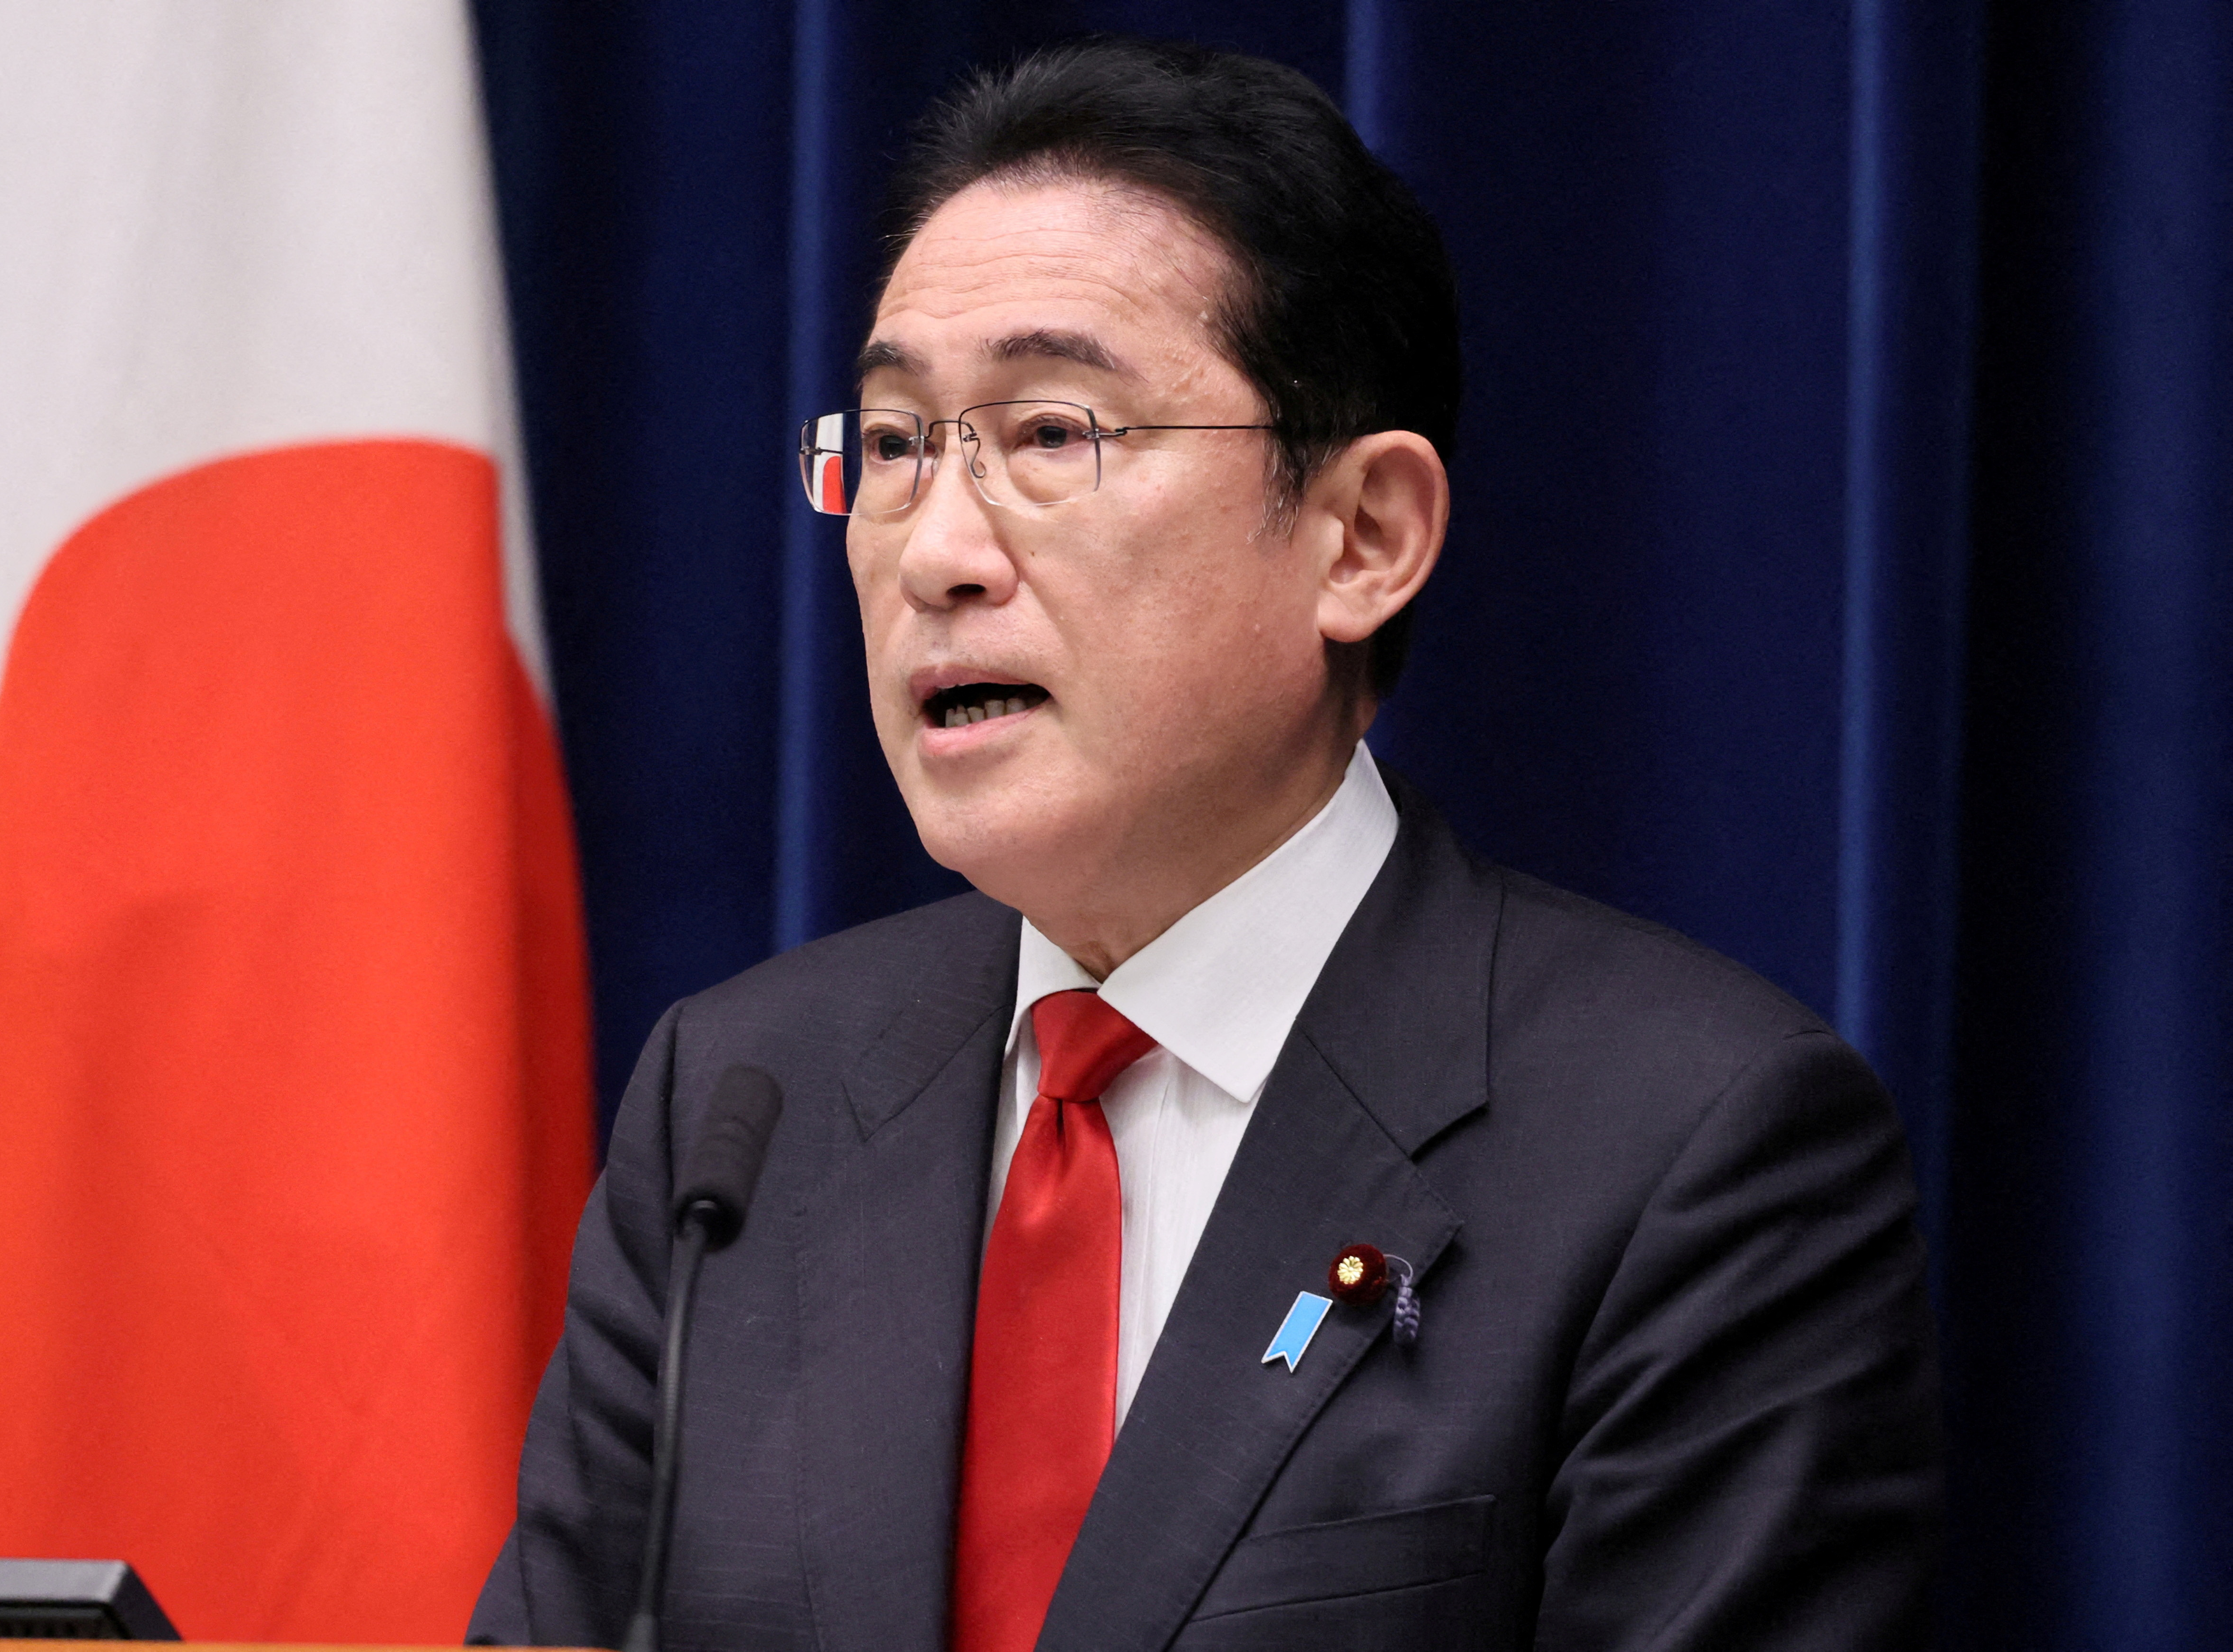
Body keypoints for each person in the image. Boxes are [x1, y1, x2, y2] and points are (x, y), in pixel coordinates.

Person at [470, 36, 1941, 1652]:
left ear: (1364, 535)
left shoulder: (1689, 1150)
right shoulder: (742, 1111)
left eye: (1051, 433)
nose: (938, 552)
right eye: (891, 447)